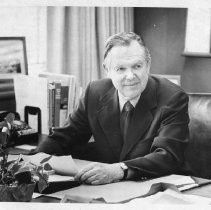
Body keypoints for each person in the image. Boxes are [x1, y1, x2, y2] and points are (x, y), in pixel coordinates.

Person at [36, 32, 189, 185]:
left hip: (156, 186)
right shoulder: (94, 92)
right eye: (120, 68)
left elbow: (168, 156)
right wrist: (35, 160)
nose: (130, 76)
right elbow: (63, 139)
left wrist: (119, 170)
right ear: (107, 69)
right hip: (109, 188)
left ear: (148, 65)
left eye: (137, 66)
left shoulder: (172, 97)